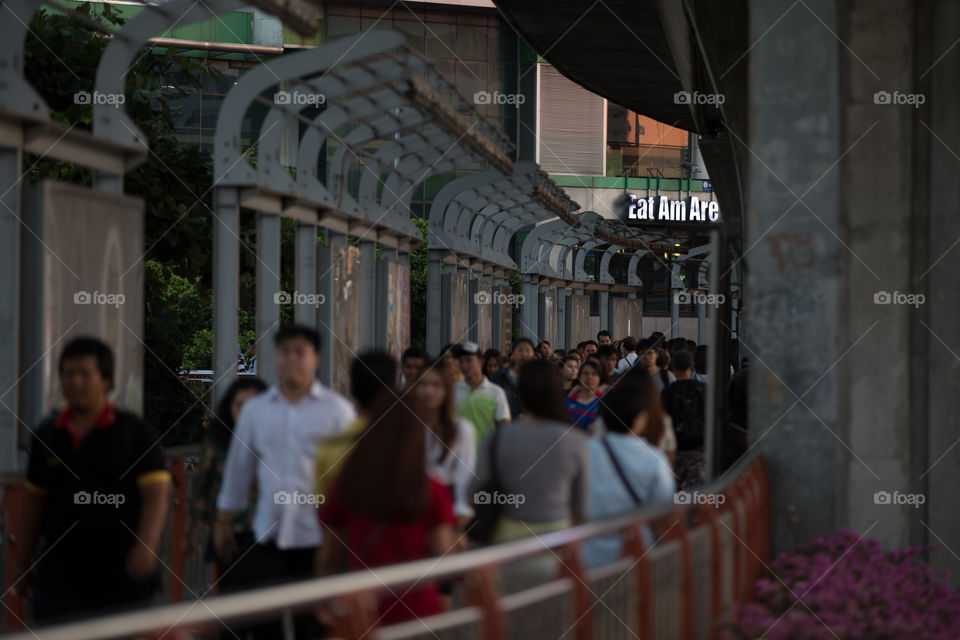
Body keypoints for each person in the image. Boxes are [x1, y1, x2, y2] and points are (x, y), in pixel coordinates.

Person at [18, 337, 172, 624]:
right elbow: (32, 503)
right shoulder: (48, 435)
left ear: (105, 380)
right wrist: (21, 564)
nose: (75, 382)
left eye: (84, 374)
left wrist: (146, 547)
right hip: (58, 581)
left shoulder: (133, 432)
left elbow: (157, 493)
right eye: (68, 374)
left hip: (123, 578)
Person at [215, 325, 355, 639]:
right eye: (284, 352)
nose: (291, 359)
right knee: (267, 622)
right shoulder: (255, 411)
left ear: (315, 358)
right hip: (267, 532)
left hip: (318, 536)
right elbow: (238, 468)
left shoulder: (336, 411)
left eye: (300, 351)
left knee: (315, 622)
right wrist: (223, 521)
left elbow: (348, 474)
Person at [317, 393, 455, 625]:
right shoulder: (432, 489)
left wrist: (325, 599)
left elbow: (329, 555)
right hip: (418, 611)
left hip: (362, 611)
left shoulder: (344, 484)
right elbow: (442, 556)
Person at [471, 360, 588, 546]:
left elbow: (476, 492)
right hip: (559, 537)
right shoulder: (575, 440)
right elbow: (581, 507)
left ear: (521, 392)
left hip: (506, 538)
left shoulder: (497, 438)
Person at [186, 377, 267, 594]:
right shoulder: (218, 441)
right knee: (232, 604)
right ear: (229, 407)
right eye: (240, 404)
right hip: (228, 534)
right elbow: (203, 486)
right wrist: (190, 532)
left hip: (270, 535)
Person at [581, 383, 675, 568]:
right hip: (638, 555)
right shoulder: (655, 459)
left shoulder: (583, 452)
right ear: (640, 419)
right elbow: (663, 516)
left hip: (589, 557)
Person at [315, 351, 398, 496]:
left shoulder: (327, 449)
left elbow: (320, 503)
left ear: (352, 390)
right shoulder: (412, 440)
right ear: (394, 389)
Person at [411, 360, 477, 533]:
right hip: (410, 511)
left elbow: (465, 478)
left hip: (446, 514)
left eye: (436, 385)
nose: (429, 391)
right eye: (423, 384)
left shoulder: (462, 430)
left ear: (447, 390)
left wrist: (458, 525)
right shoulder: (407, 427)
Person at [660, 349, 706, 489]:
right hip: (700, 450)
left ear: (672, 366)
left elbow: (663, 423)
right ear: (692, 366)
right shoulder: (704, 389)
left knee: (674, 495)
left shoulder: (667, 392)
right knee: (696, 496)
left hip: (675, 451)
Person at [454, 342, 510, 446]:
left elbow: (504, 425)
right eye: (461, 361)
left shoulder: (496, 392)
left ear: (481, 362)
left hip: (486, 456)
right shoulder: (452, 391)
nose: (465, 365)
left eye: (469, 360)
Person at [491, 338, 537, 420]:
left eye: (528, 350)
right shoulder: (500, 375)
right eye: (520, 350)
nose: (524, 354)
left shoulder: (539, 377)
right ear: (512, 354)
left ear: (533, 354)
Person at [565, 360, 605, 432]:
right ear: (579, 376)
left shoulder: (605, 403)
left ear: (600, 378)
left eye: (594, 374)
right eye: (585, 374)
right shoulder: (566, 402)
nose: (589, 377)